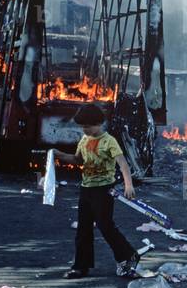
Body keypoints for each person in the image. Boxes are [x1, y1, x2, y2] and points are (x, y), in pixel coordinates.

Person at [50, 103, 139, 279]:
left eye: (88, 126)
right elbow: (77, 160)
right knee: (83, 229)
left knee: (105, 226)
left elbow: (122, 163)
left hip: (104, 190)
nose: (85, 130)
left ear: (99, 123)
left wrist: (128, 185)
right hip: (86, 189)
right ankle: (80, 266)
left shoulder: (109, 141)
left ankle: (128, 256)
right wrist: (58, 154)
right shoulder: (84, 140)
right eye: (82, 127)